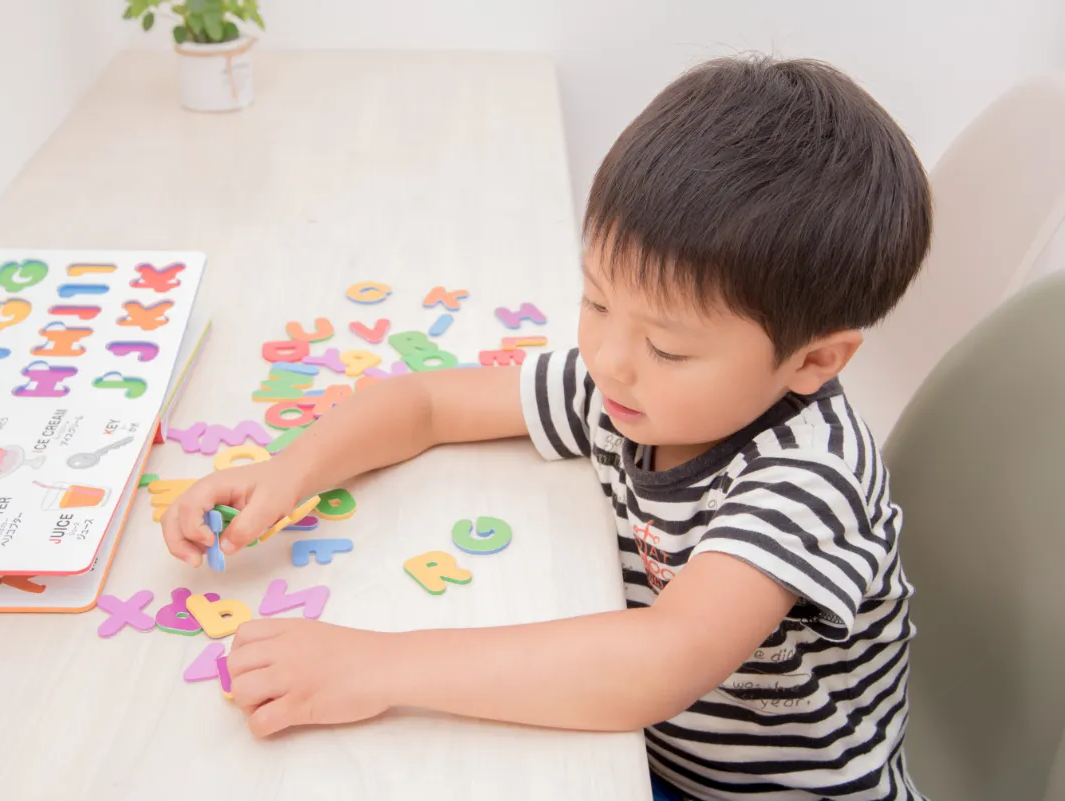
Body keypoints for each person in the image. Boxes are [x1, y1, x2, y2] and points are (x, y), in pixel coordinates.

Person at [162, 53, 932, 801]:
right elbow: (429, 403)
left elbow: (660, 662)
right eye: (597, 301)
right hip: (648, 755)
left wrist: (374, 668)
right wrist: (287, 472)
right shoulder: (639, 389)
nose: (610, 359)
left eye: (667, 347)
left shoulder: (810, 476)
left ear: (813, 360)